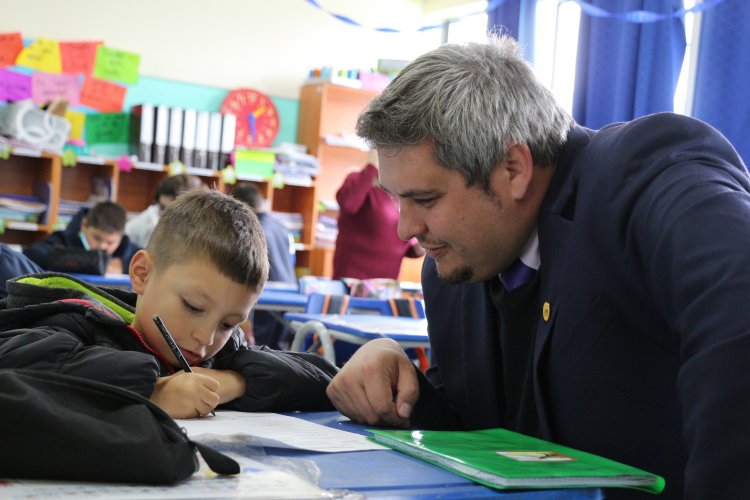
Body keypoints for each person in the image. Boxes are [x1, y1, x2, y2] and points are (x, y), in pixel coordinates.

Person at [325, 35, 750, 499]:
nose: (405, 229)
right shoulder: (454, 271)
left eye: (425, 199)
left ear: (512, 168)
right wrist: (404, 395)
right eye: (396, 199)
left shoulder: (643, 174)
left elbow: (739, 301)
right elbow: (482, 435)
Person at [0, 190, 337, 418]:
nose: (206, 338)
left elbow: (327, 380)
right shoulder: (79, 323)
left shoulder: (220, 355)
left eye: (228, 323)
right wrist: (153, 389)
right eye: (192, 306)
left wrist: (234, 382)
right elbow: (19, 362)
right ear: (142, 274)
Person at [332, 150, 424, 280]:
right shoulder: (358, 181)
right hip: (353, 283)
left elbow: (399, 241)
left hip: (385, 287)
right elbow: (348, 204)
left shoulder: (401, 192)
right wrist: (371, 167)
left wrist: (417, 247)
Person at [232, 183, 296, 348]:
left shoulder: (251, 230)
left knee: (260, 349)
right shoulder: (281, 227)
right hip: (290, 294)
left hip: (265, 296)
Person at [24, 200, 139, 275]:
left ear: (120, 237)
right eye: (97, 238)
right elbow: (31, 254)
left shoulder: (126, 249)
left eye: (110, 243)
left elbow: (150, 262)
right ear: (84, 225)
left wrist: (124, 266)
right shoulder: (64, 239)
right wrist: (91, 262)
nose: (102, 246)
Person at [125, 173, 204, 248]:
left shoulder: (200, 229)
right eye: (162, 207)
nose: (166, 214)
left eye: (173, 210)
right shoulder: (146, 222)